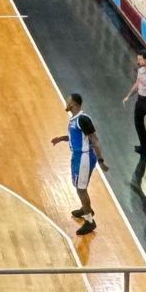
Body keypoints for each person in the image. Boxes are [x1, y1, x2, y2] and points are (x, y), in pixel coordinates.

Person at [51, 92, 105, 236]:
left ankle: (89, 221)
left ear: (74, 104)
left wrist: (101, 160)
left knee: (81, 189)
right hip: (78, 156)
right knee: (79, 187)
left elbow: (94, 139)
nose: (66, 102)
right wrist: (61, 139)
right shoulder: (74, 119)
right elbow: (76, 137)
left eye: (68, 101)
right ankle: (85, 208)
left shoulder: (83, 119)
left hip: (84, 157)